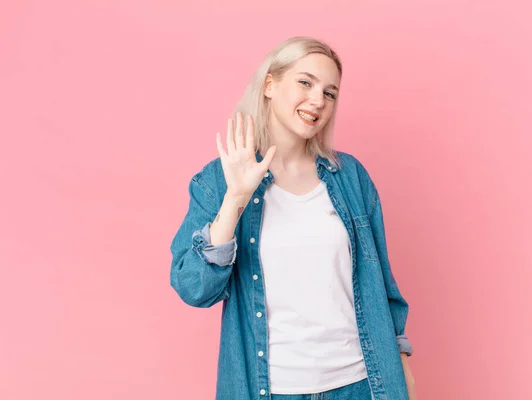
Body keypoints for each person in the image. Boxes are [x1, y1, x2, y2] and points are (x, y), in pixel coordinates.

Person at [170, 36, 416, 400]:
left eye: (330, 93)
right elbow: (194, 288)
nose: (318, 100)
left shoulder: (350, 177)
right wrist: (236, 196)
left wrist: (404, 379)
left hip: (364, 385)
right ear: (270, 84)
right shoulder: (219, 180)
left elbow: (384, 290)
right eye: (305, 82)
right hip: (271, 390)